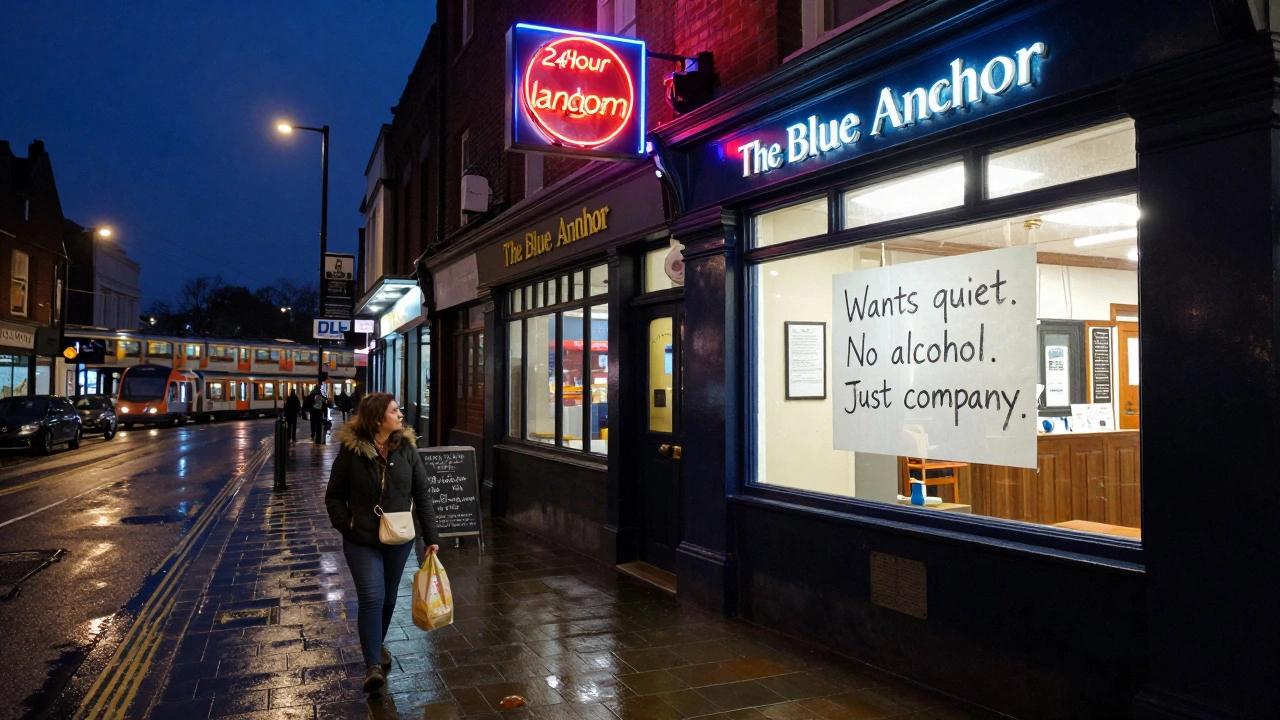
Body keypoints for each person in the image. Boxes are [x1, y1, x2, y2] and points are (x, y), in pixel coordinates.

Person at [324, 393, 440, 694]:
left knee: (389, 599)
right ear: (378, 418)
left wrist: (431, 538)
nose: (400, 414)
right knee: (373, 598)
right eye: (394, 410)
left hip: (399, 538)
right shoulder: (352, 452)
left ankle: (376, 644)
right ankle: (372, 665)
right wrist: (347, 525)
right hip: (362, 539)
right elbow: (334, 495)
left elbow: (422, 494)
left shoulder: (407, 450)